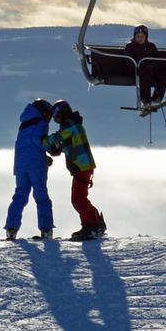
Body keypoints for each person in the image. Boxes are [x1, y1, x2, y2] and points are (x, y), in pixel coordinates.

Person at [45, 100, 106, 241]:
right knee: (81, 198)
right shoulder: (74, 125)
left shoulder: (71, 125)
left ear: (62, 112)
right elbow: (65, 145)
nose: (56, 118)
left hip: (81, 167)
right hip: (83, 166)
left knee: (77, 199)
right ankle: (95, 224)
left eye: (56, 114)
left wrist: (43, 142)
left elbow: (58, 137)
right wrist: (56, 149)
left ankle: (91, 227)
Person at [4, 98, 55, 240]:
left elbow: (27, 146)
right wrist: (50, 149)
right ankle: (46, 230)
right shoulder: (41, 122)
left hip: (20, 165)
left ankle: (11, 229)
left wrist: (44, 157)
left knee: (20, 196)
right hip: (36, 165)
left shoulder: (23, 125)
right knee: (41, 196)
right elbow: (38, 140)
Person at [124, 24, 166, 110]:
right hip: (136, 70)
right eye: (138, 36)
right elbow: (129, 60)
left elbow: (157, 59)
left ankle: (156, 99)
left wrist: (154, 65)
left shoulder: (151, 46)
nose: (140, 38)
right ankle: (146, 100)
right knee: (145, 73)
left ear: (146, 37)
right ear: (135, 36)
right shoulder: (130, 47)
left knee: (163, 74)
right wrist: (143, 65)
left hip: (150, 69)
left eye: (142, 36)